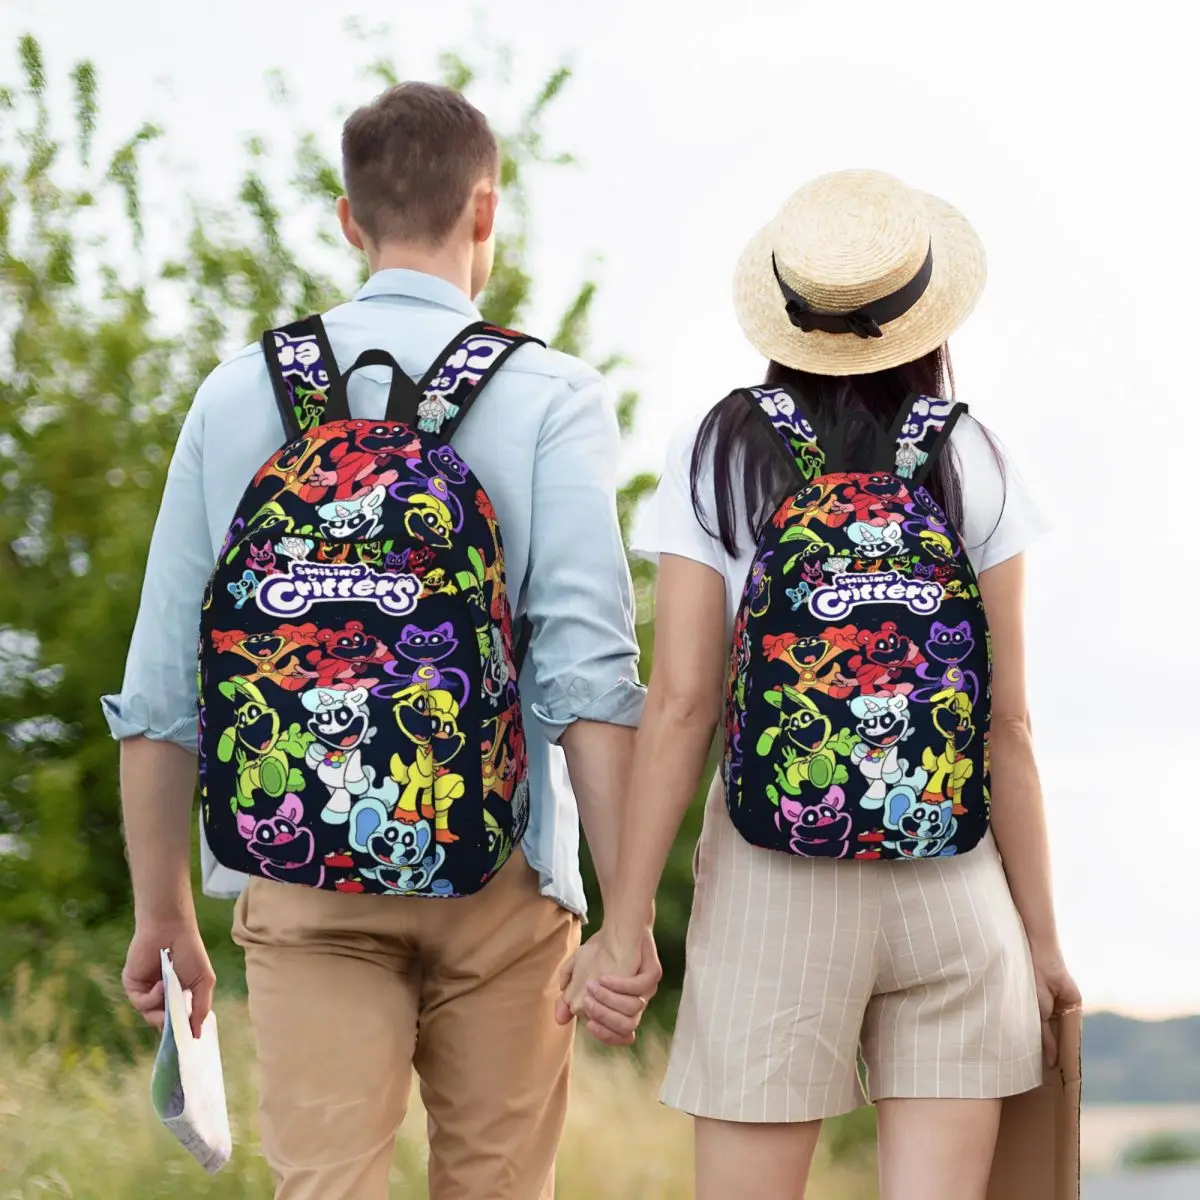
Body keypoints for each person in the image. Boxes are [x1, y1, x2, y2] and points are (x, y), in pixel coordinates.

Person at [105, 81, 660, 1200]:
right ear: (486, 213)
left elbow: (164, 683)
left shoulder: (235, 395)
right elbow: (587, 678)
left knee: (325, 1186)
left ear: (349, 219)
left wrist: (163, 912)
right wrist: (627, 915)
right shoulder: (551, 394)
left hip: (299, 876)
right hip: (501, 874)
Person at [559, 169, 1081, 1200]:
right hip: (954, 885)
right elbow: (1008, 725)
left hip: (773, 884)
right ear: (926, 316)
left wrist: (623, 927)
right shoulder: (973, 454)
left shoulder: (720, 450)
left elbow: (683, 705)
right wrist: (1043, 943)